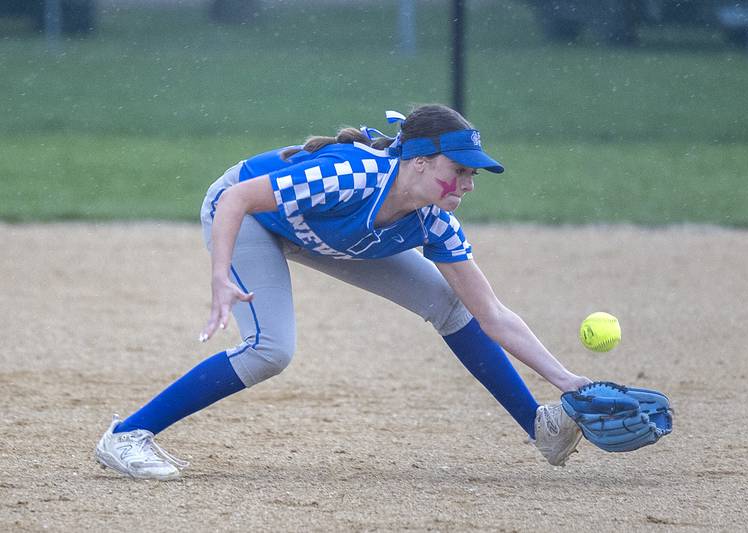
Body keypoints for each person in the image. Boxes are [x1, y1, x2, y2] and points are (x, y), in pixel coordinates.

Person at [95, 104, 592, 481]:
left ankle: (540, 428)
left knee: (450, 302)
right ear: (418, 162)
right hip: (249, 218)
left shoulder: (435, 223)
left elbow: (494, 316)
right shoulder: (350, 176)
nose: (467, 182)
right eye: (457, 169)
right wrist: (221, 274)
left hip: (324, 231)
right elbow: (237, 198)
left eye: (472, 173)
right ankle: (127, 436)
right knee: (270, 350)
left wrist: (567, 380)